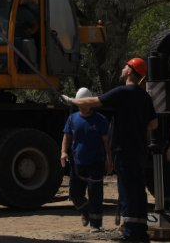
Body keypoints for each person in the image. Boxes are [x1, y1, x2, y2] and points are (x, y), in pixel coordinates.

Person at [65, 57, 158, 243]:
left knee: (127, 190)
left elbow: (94, 101)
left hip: (124, 149)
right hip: (139, 149)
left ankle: (130, 232)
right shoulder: (144, 96)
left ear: (130, 71)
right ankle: (140, 230)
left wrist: (72, 100)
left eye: (125, 66)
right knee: (138, 189)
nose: (122, 69)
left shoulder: (122, 92)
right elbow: (153, 124)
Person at [61, 87, 111, 229]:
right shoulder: (72, 119)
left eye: (84, 103)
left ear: (89, 103)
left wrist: (109, 159)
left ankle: (95, 225)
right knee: (74, 194)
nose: (82, 106)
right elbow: (67, 137)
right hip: (77, 163)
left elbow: (106, 142)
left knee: (95, 195)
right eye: (79, 104)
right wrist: (63, 152)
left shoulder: (100, 120)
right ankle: (85, 211)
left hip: (95, 163)